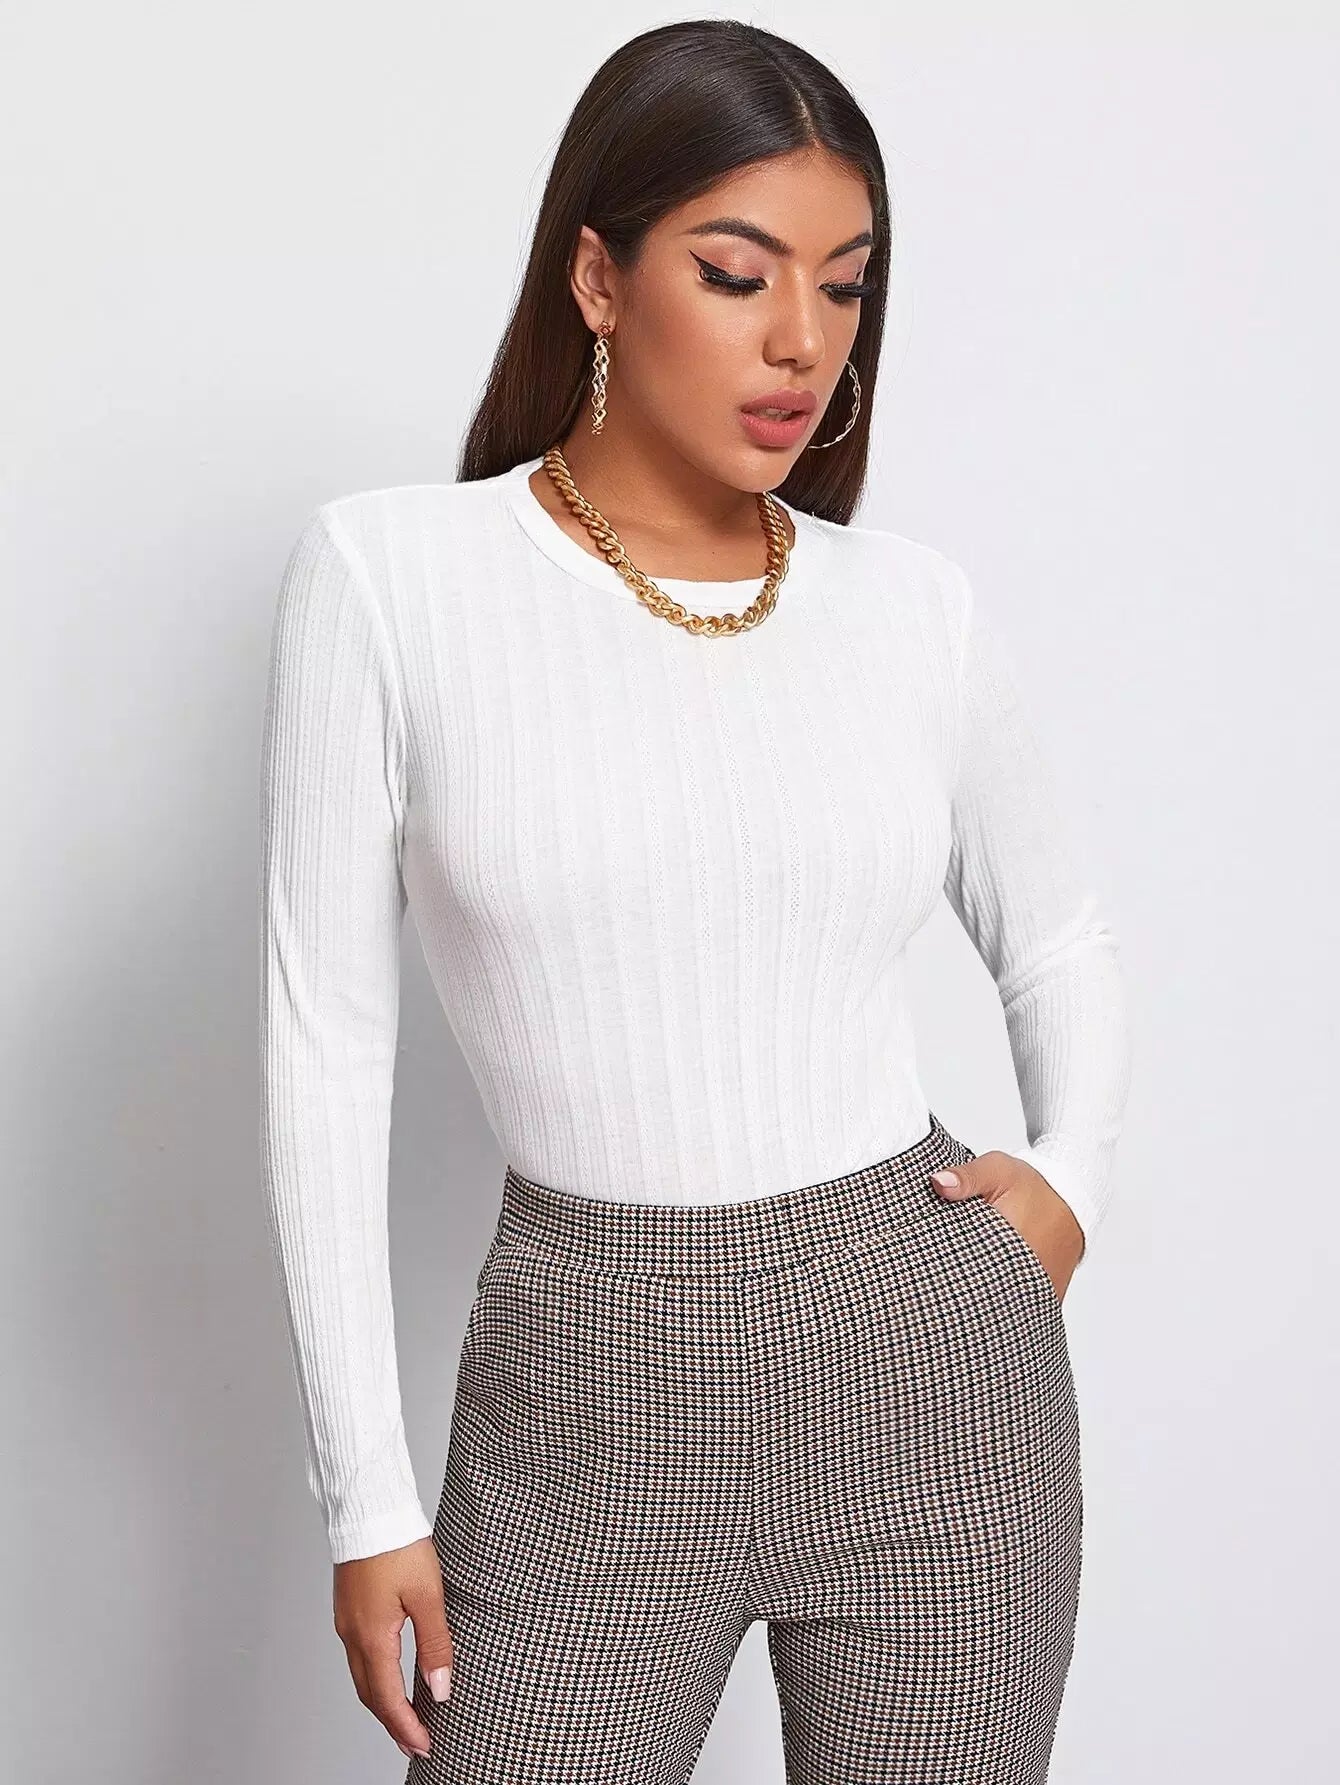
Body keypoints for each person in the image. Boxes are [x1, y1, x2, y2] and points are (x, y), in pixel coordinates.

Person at [259, 19, 1131, 1784]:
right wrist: (367, 1494)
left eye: (845, 284)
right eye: (738, 275)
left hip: (930, 1364)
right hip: (583, 1379)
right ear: (598, 276)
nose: (802, 338)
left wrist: (1068, 1188)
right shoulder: (394, 578)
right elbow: (325, 1048)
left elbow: (1062, 940)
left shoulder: (910, 608)